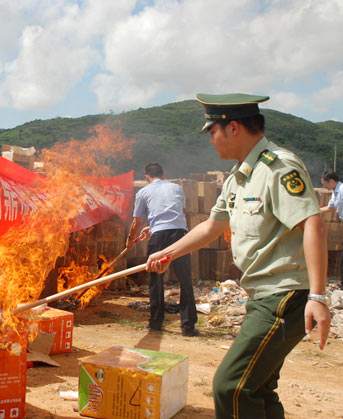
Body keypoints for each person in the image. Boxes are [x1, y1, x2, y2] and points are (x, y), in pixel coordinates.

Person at [145, 93, 331, 418]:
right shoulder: (238, 177)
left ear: (233, 128)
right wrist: (168, 253)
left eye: (212, 132)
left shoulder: (278, 167)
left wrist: (317, 295)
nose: (211, 140)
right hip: (262, 296)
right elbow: (211, 228)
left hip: (284, 295)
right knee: (258, 389)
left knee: (230, 386)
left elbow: (313, 225)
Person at [126, 162, 199, 337]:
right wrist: (152, 227)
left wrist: (130, 240)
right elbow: (173, 214)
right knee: (185, 279)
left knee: (155, 279)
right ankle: (188, 326)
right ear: (163, 174)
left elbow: (136, 221)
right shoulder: (177, 188)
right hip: (180, 234)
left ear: (146, 177)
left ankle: (156, 323)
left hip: (159, 237)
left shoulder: (143, 192)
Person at [320, 169, 343, 290]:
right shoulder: (335, 192)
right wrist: (314, 212)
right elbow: (329, 208)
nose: (324, 185)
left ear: (332, 181)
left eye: (325, 183)